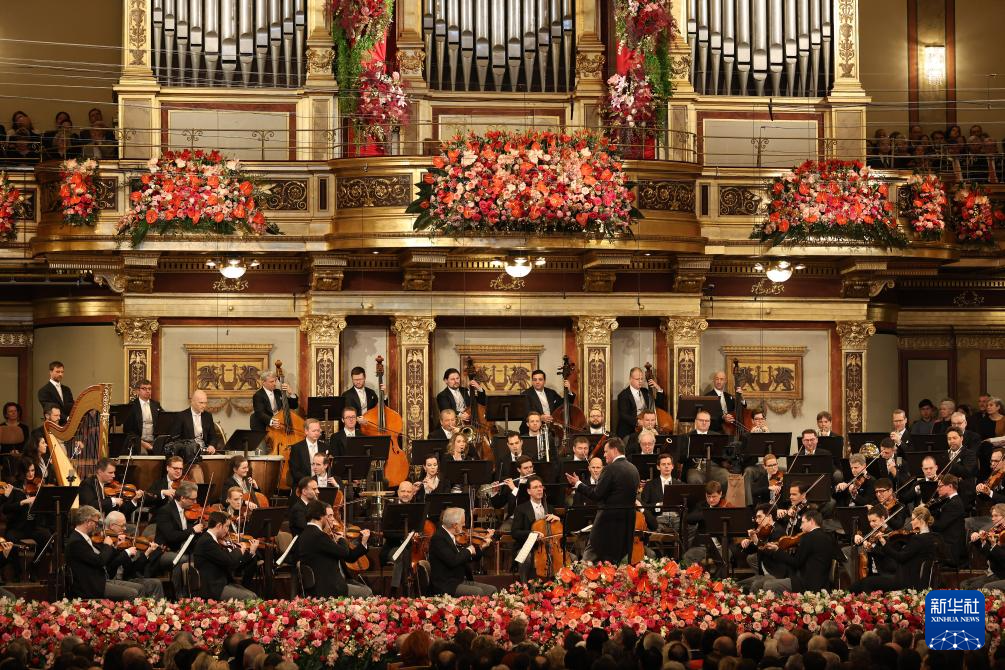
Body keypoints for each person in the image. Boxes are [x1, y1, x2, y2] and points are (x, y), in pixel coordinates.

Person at [565, 437, 640, 563]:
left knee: (587, 562)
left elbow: (596, 495)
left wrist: (578, 484)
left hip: (606, 526)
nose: (604, 455)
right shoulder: (634, 469)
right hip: (626, 525)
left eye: (605, 451)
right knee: (615, 564)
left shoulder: (610, 469)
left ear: (614, 450)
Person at [850, 506, 939, 593]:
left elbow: (899, 557)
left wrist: (880, 544)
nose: (911, 522)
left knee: (864, 584)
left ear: (921, 520)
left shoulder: (915, 539)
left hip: (899, 577)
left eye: (912, 519)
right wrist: (859, 538)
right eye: (870, 521)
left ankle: (870, 601)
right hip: (900, 575)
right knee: (857, 585)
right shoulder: (932, 537)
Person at [748, 508, 837, 593]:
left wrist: (777, 550)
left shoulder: (808, 537)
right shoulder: (828, 537)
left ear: (812, 521)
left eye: (803, 522)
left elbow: (796, 563)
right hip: (823, 583)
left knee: (769, 585)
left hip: (807, 583)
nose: (801, 527)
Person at [296, 500, 372, 597]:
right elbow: (344, 552)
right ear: (322, 516)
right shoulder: (319, 536)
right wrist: (342, 539)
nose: (333, 519)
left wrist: (363, 543)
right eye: (329, 516)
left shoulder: (305, 534)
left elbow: (349, 557)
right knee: (367, 592)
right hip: (330, 588)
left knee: (365, 589)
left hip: (333, 583)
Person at [65, 506, 140, 600]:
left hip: (100, 581)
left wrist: (115, 547)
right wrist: (107, 545)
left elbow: (104, 559)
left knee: (139, 588)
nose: (96, 526)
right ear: (88, 522)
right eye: (96, 523)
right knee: (133, 593)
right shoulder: (77, 542)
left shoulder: (83, 538)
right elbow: (100, 561)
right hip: (91, 586)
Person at [428, 506, 496, 596]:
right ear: (455, 525)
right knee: (478, 592)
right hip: (446, 585)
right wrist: (468, 550)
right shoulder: (439, 538)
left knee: (492, 590)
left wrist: (481, 547)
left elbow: (466, 558)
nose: (464, 526)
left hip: (459, 581)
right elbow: (453, 561)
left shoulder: (452, 536)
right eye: (462, 524)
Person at [191, 511, 259, 600]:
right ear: (219, 526)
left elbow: (232, 564)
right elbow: (229, 561)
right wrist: (239, 550)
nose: (227, 531)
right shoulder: (207, 541)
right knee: (250, 597)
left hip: (221, 582)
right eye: (227, 526)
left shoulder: (212, 540)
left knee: (253, 595)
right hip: (213, 587)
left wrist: (251, 552)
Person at [102, 510, 165, 598]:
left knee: (155, 583)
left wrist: (147, 552)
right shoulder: (104, 543)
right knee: (139, 588)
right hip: (110, 581)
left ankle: (158, 606)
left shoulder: (123, 542)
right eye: (122, 526)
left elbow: (132, 570)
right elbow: (109, 568)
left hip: (126, 579)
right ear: (112, 525)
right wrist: (123, 552)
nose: (125, 528)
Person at [510, 475, 560, 580]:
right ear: (529, 491)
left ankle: (557, 585)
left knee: (571, 557)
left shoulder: (550, 508)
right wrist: (532, 534)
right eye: (535, 487)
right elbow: (515, 532)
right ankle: (524, 585)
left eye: (541, 487)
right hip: (528, 546)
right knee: (526, 557)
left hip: (549, 546)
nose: (539, 489)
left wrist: (558, 520)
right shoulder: (521, 509)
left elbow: (559, 532)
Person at [153, 481, 205, 570]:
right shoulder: (165, 511)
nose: (195, 502)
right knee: (186, 560)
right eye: (192, 499)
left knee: (204, 556)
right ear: (182, 498)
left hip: (183, 548)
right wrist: (192, 530)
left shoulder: (188, 511)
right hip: (166, 550)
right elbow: (171, 536)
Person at [77, 457, 143, 518]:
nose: (114, 475)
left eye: (114, 472)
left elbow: (122, 510)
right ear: (100, 472)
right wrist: (113, 500)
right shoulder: (88, 483)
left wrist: (134, 500)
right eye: (110, 473)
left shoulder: (109, 486)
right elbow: (90, 505)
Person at [962, 503, 1005, 590]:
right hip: (994, 572)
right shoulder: (996, 531)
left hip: (1001, 574)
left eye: (996, 516)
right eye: (992, 516)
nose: (992, 518)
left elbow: (1002, 559)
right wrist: (980, 541)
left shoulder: (1002, 535)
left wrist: (993, 544)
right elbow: (988, 555)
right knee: (964, 583)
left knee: (972, 587)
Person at [615, 367, 665, 438]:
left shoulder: (645, 391)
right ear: (630, 379)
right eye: (637, 379)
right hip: (629, 431)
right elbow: (623, 415)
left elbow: (658, 405)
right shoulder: (623, 395)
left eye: (642, 379)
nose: (640, 381)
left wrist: (658, 388)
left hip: (645, 430)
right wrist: (638, 422)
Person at [930, 474, 967, 568]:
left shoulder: (954, 503)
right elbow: (938, 513)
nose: (937, 489)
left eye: (940, 486)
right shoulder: (949, 501)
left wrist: (926, 519)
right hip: (947, 544)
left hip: (951, 550)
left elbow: (939, 526)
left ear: (950, 486)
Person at [639, 452, 680, 531]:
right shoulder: (649, 485)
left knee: (688, 526)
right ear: (658, 467)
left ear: (672, 466)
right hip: (658, 519)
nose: (666, 466)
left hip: (677, 518)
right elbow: (644, 505)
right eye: (663, 464)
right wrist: (658, 505)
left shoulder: (680, 485)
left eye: (669, 464)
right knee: (654, 529)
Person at [123, 379, 162, 454]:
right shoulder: (131, 406)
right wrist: (142, 443)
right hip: (138, 442)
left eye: (149, 389)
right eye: (144, 388)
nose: (147, 391)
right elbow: (127, 430)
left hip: (155, 442)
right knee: (143, 454)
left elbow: (162, 424)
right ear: (137, 391)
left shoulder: (156, 405)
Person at [287, 418, 327, 487]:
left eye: (318, 430)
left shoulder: (325, 447)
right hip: (302, 485)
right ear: (306, 431)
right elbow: (295, 471)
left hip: (322, 484)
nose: (317, 433)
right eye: (314, 431)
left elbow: (327, 468)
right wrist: (310, 483)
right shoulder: (296, 448)